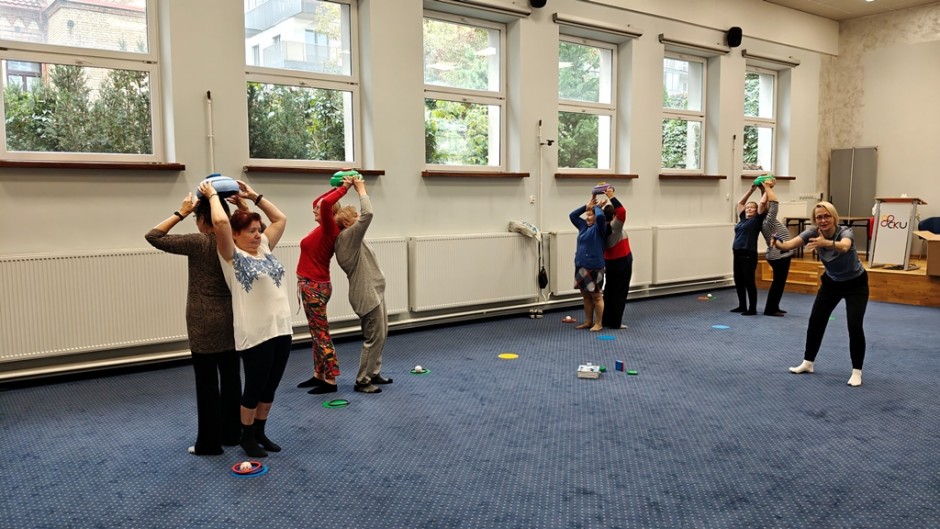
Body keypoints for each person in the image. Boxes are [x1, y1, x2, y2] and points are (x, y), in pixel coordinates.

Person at [200, 179, 292, 457]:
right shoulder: (231, 255)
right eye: (251, 231)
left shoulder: (264, 247)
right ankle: (247, 436)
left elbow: (280, 218)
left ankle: (261, 431)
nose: (257, 235)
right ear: (235, 235)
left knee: (270, 386)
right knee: (254, 387)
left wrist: (254, 197)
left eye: (258, 230)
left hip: (281, 329)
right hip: (256, 333)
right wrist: (212, 195)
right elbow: (220, 223)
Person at [145, 192, 241, 456]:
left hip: (203, 320)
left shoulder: (199, 242)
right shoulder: (236, 241)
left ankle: (209, 443)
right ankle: (232, 434)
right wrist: (243, 207)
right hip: (232, 317)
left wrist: (182, 212)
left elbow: (153, 236)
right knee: (232, 379)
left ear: (201, 220)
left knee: (207, 383)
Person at [772, 201, 869, 387]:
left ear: (834, 217)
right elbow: (788, 245)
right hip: (831, 283)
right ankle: (808, 362)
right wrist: (776, 243)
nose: (823, 220)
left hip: (855, 284)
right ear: (814, 220)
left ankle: (857, 371)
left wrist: (825, 243)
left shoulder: (845, 232)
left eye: (827, 216)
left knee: (854, 325)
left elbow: (845, 246)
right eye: (819, 217)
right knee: (816, 321)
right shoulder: (812, 232)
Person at [333, 177, 393, 394]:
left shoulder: (352, 238)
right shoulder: (347, 238)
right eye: (355, 217)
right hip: (366, 295)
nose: (359, 219)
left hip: (374, 292)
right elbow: (368, 214)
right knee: (373, 337)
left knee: (381, 334)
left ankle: (374, 372)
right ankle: (362, 381)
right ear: (347, 224)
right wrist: (360, 190)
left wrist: (341, 188)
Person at [296, 178, 353, 394]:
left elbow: (326, 204)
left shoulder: (330, 228)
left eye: (318, 209)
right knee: (315, 333)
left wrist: (345, 187)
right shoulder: (321, 228)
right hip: (310, 286)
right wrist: (336, 186)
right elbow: (319, 202)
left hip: (315, 287)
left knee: (321, 334)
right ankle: (318, 374)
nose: (314, 210)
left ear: (329, 212)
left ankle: (330, 380)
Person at [569, 195, 607, 331]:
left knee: (596, 296)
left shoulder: (599, 228)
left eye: (591, 215)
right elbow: (572, 215)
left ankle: (599, 323)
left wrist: (597, 207)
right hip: (581, 266)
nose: (588, 217)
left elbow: (601, 217)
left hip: (594, 267)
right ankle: (588, 321)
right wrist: (586, 207)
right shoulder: (583, 227)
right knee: (586, 295)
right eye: (587, 215)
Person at [757, 178, 793, 316]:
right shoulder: (768, 221)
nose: (766, 205)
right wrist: (768, 187)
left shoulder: (765, 220)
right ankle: (770, 309)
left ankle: (774, 306)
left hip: (780, 254)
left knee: (779, 283)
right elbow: (774, 202)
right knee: (778, 283)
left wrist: (764, 189)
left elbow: (764, 202)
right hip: (778, 255)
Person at [730, 185, 767, 316]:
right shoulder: (742, 220)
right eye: (748, 207)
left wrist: (766, 189)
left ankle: (752, 308)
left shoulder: (757, 220)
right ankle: (742, 305)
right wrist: (751, 190)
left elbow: (763, 203)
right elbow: (740, 203)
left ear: (757, 211)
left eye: (752, 207)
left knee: (749, 281)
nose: (749, 208)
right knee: (738, 280)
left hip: (748, 253)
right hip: (737, 252)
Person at [600, 185, 633, 330]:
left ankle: (606, 319)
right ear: (613, 217)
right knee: (620, 292)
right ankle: (615, 323)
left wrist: (597, 204)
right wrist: (610, 196)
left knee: (609, 291)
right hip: (622, 262)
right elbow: (622, 211)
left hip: (609, 262)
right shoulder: (615, 227)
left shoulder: (600, 226)